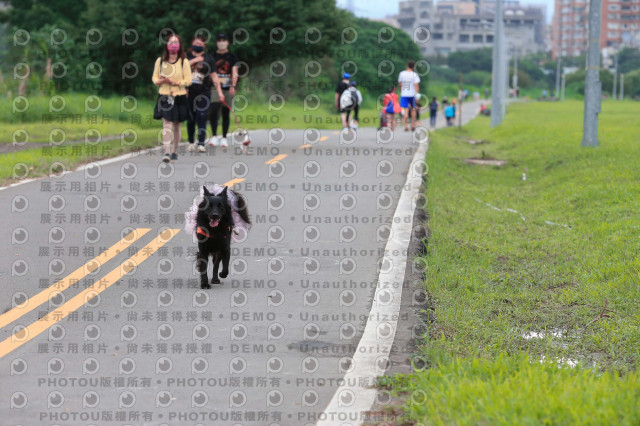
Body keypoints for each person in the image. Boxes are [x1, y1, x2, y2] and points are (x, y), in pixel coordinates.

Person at [152, 34, 192, 163]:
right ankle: (167, 152)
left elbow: (189, 80)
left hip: (179, 95)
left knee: (176, 124)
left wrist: (177, 83)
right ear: (166, 45)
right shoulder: (160, 61)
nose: (173, 45)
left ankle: (175, 151)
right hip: (164, 95)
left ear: (180, 45)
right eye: (171, 42)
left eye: (176, 42)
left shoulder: (184, 62)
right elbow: (154, 78)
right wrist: (162, 80)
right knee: (166, 123)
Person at [186, 35, 221, 153]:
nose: (198, 45)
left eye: (201, 44)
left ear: (204, 46)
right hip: (188, 92)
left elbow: (214, 76)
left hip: (204, 92)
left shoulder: (209, 59)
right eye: (196, 43)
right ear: (192, 44)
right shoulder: (186, 56)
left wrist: (220, 92)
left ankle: (201, 143)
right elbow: (180, 68)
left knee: (201, 116)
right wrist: (195, 60)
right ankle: (191, 142)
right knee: (191, 118)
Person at [207, 33, 238, 148]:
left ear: (227, 42)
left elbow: (235, 72)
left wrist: (233, 86)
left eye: (224, 40)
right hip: (214, 87)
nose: (221, 42)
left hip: (227, 87)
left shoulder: (232, 56)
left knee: (226, 112)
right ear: (217, 43)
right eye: (219, 40)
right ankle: (214, 135)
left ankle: (224, 137)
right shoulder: (212, 56)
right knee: (214, 110)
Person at [397, 60, 420, 132]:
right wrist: (417, 95)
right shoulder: (415, 74)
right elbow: (416, 85)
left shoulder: (402, 73)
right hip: (412, 94)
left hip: (404, 94)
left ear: (407, 65)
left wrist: (401, 91)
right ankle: (413, 125)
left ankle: (406, 126)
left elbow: (400, 84)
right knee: (413, 110)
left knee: (406, 110)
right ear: (413, 67)